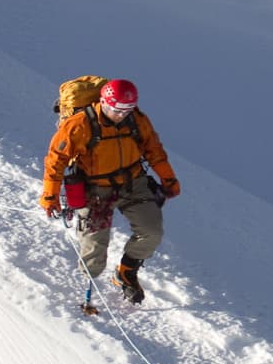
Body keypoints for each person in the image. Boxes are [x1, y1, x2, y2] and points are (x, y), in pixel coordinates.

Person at [40, 78, 180, 303]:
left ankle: (126, 272)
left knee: (151, 232)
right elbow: (56, 161)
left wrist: (168, 179)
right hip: (95, 189)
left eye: (127, 109)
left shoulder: (136, 120)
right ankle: (88, 290)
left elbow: (154, 150)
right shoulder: (79, 124)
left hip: (133, 182)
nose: (121, 115)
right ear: (104, 102)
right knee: (94, 248)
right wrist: (50, 195)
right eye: (117, 109)